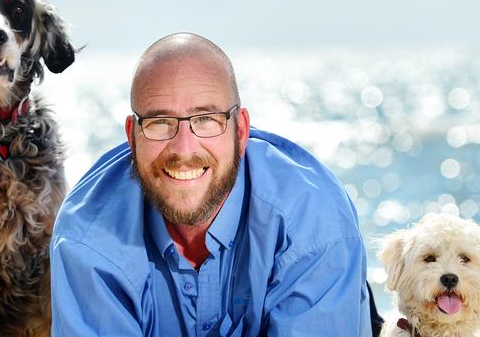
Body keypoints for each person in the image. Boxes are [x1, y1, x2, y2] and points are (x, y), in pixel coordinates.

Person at [50, 33, 374, 336]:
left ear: (241, 131)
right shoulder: (86, 238)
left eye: (206, 119)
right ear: (132, 138)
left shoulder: (315, 222)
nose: (184, 150)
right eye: (160, 123)